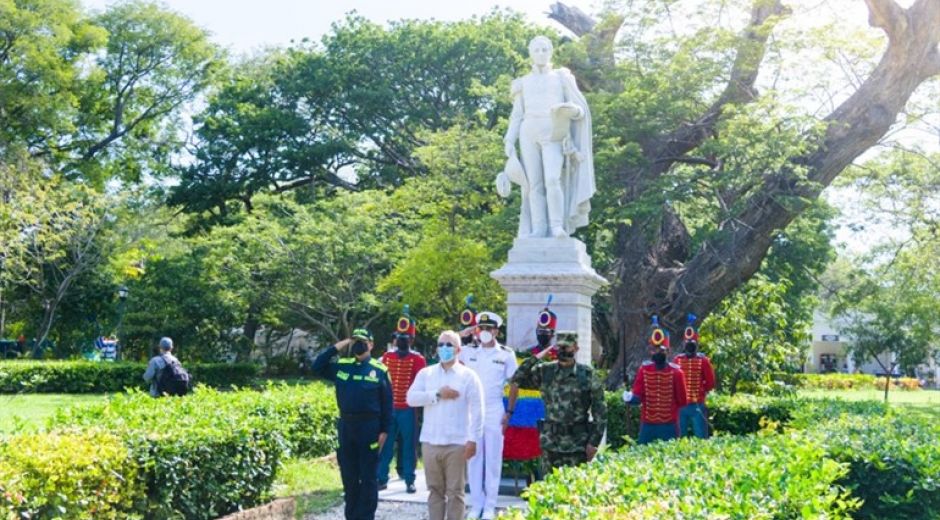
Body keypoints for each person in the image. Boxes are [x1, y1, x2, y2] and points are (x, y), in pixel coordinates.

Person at [498, 35, 595, 239]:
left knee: (552, 179)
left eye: (544, 50)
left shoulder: (561, 78)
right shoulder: (522, 82)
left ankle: (557, 226)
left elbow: (580, 110)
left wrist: (571, 110)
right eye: (537, 50)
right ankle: (539, 228)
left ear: (550, 52)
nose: (541, 54)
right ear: (530, 54)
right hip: (528, 131)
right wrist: (508, 139)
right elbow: (516, 115)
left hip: (554, 133)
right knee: (534, 184)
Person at [311, 329, 392, 520]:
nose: (359, 345)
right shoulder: (342, 366)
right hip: (347, 426)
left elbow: (387, 404)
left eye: (363, 341)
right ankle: (352, 515)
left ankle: (366, 516)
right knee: (349, 475)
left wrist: (385, 431)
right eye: (356, 341)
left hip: (369, 427)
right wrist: (341, 344)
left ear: (371, 345)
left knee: (369, 476)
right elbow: (317, 366)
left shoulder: (379, 370)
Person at [407, 330, 484, 520]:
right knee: (435, 492)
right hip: (430, 442)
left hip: (457, 443)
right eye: (441, 344)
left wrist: (473, 440)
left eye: (448, 345)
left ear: (458, 349)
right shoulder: (426, 374)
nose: (444, 348)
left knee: (456, 493)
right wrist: (437, 394)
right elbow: (410, 398)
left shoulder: (468, 376)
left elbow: (478, 411)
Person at [508, 331, 606, 474]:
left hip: (577, 445)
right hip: (550, 444)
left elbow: (600, 412)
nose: (563, 351)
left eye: (567, 347)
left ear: (576, 348)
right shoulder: (545, 371)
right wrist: (536, 357)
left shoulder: (587, 375)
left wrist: (593, 443)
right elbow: (516, 379)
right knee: (548, 488)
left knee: (573, 491)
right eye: (559, 347)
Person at [458, 312, 518, 520]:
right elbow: (448, 349)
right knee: (473, 457)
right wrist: (464, 333)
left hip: (494, 409)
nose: (485, 332)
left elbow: (514, 384)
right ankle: (476, 504)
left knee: (493, 458)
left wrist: (509, 412)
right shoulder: (468, 352)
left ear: (496, 331)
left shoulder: (506, 354)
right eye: (481, 328)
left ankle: (490, 505)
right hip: (473, 410)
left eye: (489, 329)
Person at [377, 306, 426, 493]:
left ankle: (409, 479)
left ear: (411, 339)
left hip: (408, 409)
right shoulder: (387, 357)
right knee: (386, 444)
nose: (401, 341)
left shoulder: (418, 359)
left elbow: (421, 384)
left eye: (405, 338)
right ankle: (381, 478)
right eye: (399, 337)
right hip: (389, 409)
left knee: (408, 445)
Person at [623, 316, 688, 444]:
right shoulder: (644, 370)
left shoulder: (676, 373)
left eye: (660, 350)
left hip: (669, 424)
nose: (656, 352)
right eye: (654, 349)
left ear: (668, 351)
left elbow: (682, 400)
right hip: (648, 424)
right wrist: (630, 398)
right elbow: (638, 396)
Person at [673, 314, 715, 439]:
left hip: (697, 404)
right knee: (679, 438)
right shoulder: (677, 360)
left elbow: (710, 382)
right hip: (681, 405)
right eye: (688, 342)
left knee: (701, 437)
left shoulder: (703, 360)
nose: (690, 344)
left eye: (692, 342)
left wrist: (701, 392)